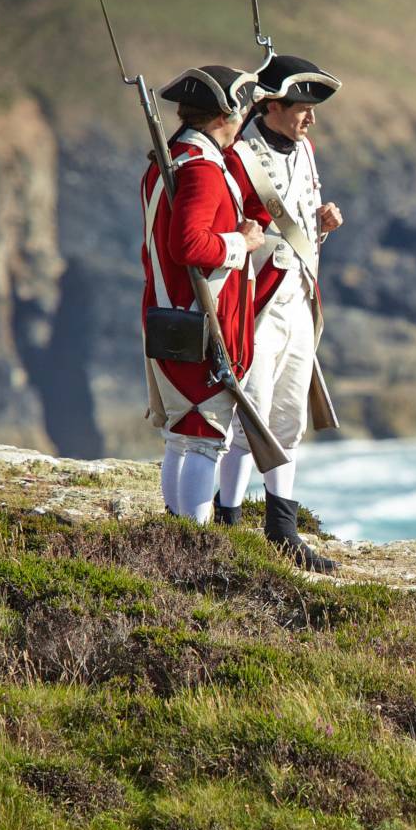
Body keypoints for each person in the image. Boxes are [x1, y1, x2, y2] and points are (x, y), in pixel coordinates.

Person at [214, 54, 344, 572]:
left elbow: (298, 217)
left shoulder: (306, 149)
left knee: (287, 415)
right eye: (301, 107)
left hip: (298, 299)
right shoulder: (239, 156)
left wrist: (321, 222)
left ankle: (281, 527)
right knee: (250, 415)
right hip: (255, 304)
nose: (310, 117)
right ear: (271, 105)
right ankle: (225, 521)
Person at [142, 65, 264, 522]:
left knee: (182, 435)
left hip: (171, 313)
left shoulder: (168, 161)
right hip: (199, 320)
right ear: (224, 116)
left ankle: (177, 535)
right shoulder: (203, 171)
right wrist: (242, 242)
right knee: (204, 438)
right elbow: (188, 245)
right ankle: (194, 545)